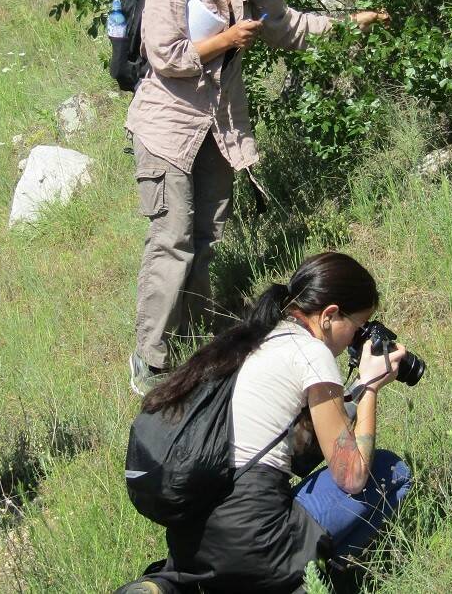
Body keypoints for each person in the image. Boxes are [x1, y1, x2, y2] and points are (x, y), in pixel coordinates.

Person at [125, 0, 388, 394]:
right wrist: (226, 38)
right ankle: (150, 360)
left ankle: (192, 340)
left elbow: (286, 26)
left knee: (207, 238)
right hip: (167, 128)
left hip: (219, 129)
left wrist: (350, 25)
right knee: (172, 239)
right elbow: (165, 56)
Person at [118, 251, 413, 594]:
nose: (356, 340)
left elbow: (300, 451)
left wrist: (356, 389)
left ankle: (166, 586)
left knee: (213, 571)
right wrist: (371, 387)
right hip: (258, 534)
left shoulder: (255, 338)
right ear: (330, 315)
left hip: (192, 539)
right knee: (391, 472)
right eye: (358, 327)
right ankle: (302, 581)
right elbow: (351, 476)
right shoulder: (311, 353)